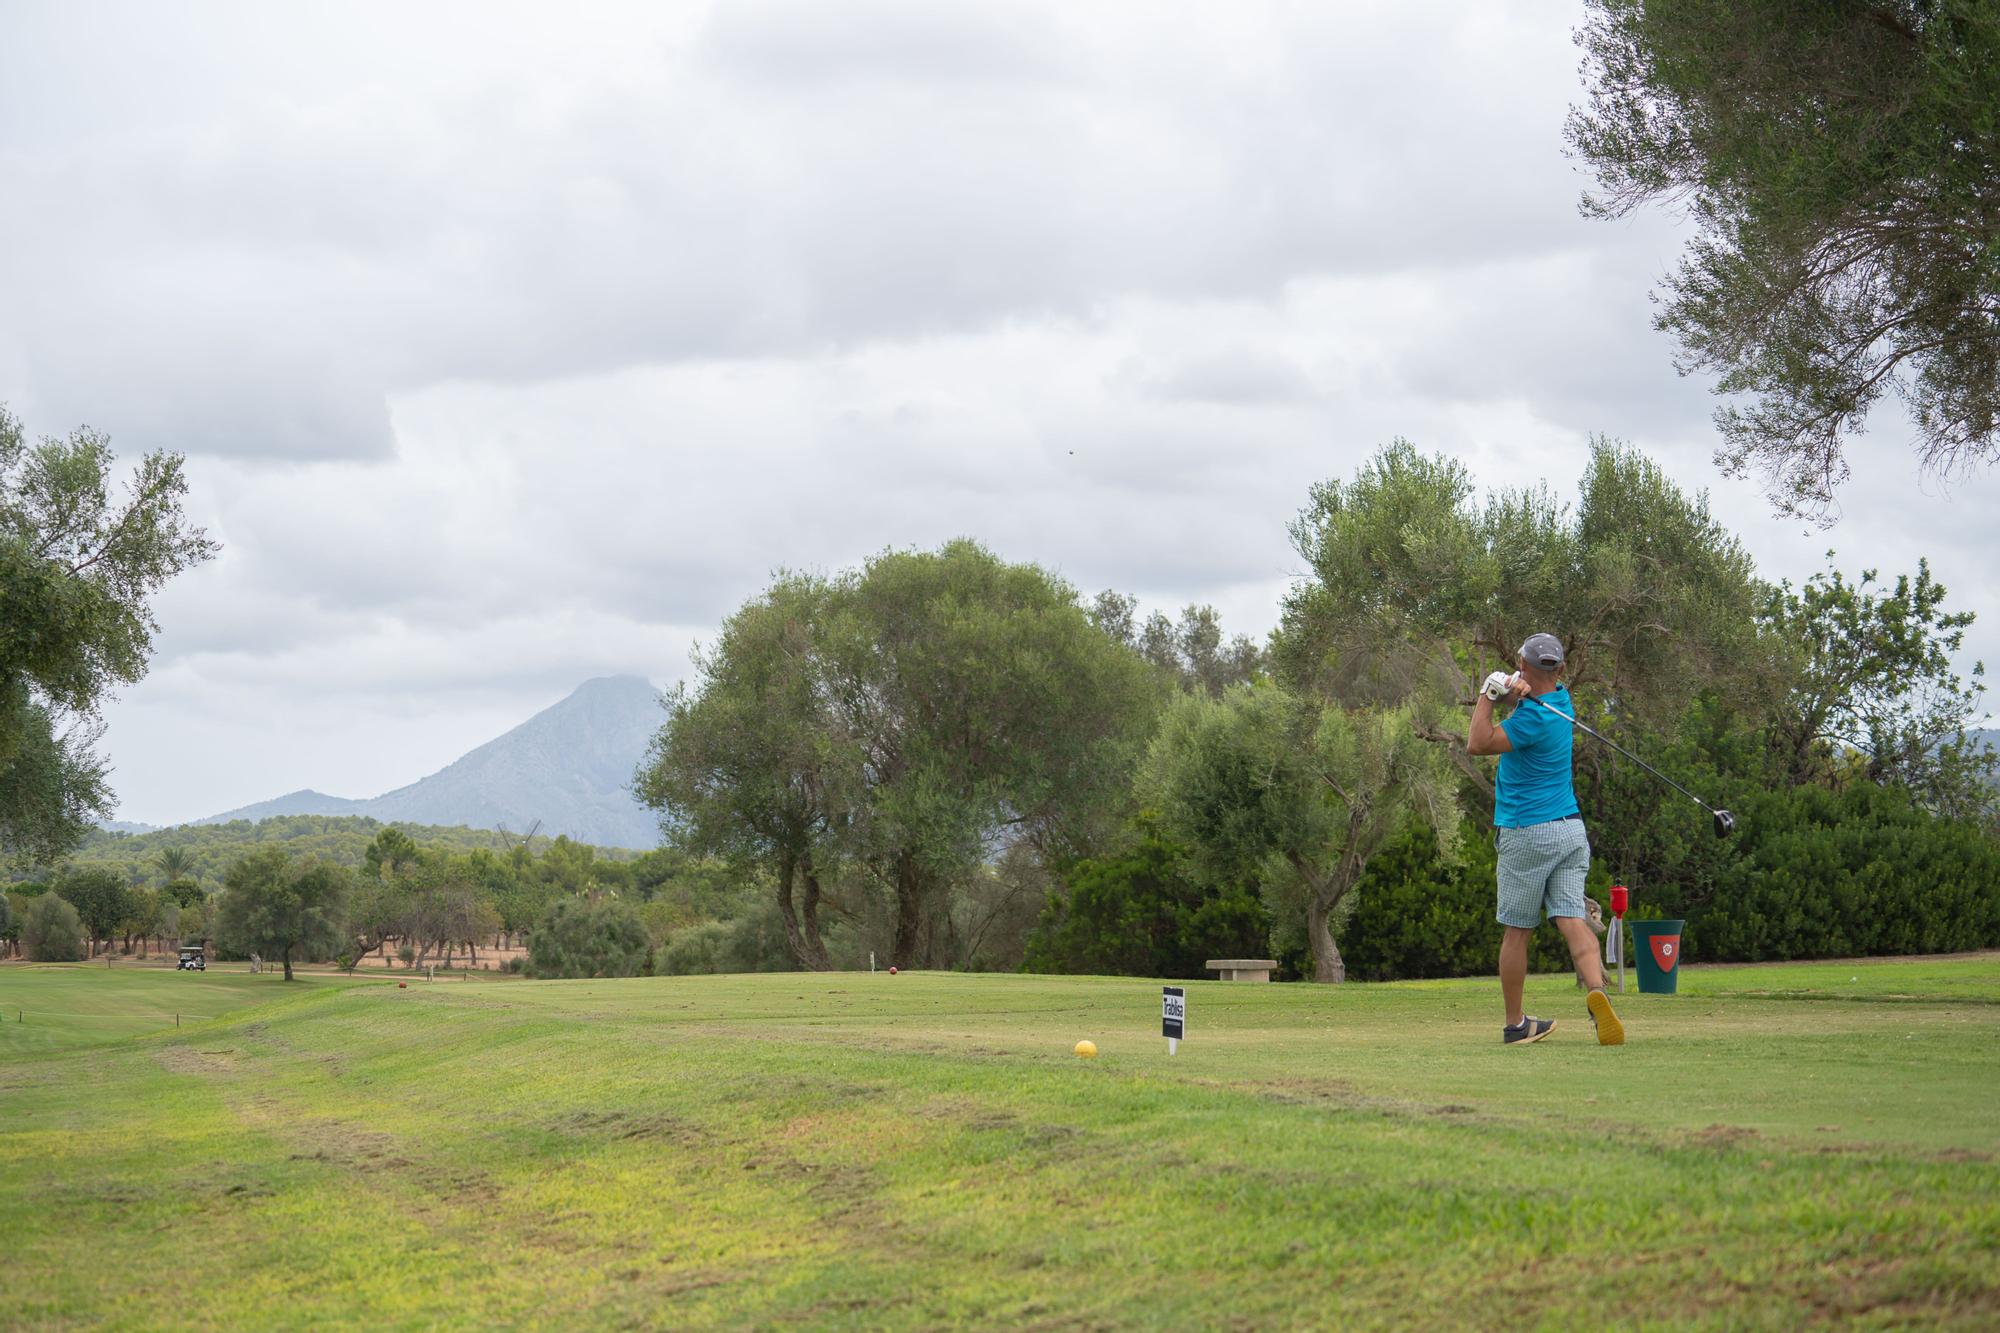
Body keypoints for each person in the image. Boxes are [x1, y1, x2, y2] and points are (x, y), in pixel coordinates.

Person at [1466, 632, 1625, 1046]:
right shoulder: (1562, 701)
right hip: (1571, 829)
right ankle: (1597, 993)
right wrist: (1514, 691)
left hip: (1527, 831)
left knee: (1517, 931)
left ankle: (1516, 1023)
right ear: (1561, 670)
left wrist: (1488, 694)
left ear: (1522, 662)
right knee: (1572, 917)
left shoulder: (1531, 720)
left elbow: (1477, 743)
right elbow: (1530, 697)